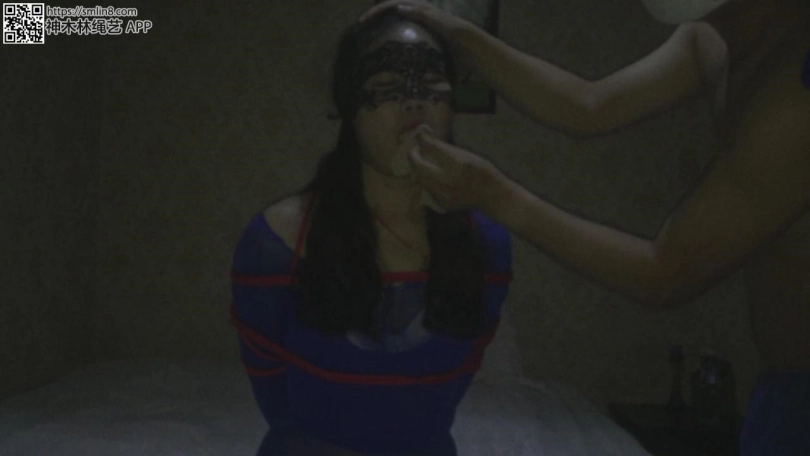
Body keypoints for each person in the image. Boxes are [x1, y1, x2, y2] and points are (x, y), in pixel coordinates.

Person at [360, 0, 810, 455]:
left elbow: (666, 273)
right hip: (780, 393)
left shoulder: (795, 91)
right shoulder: (714, 37)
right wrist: (459, 33)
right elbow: (588, 104)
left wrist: (494, 195)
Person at [229, 8, 513, 456]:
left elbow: (448, 391)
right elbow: (274, 395)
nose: (414, 102)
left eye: (431, 82)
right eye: (386, 84)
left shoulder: (488, 248)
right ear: (349, 106)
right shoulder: (275, 245)